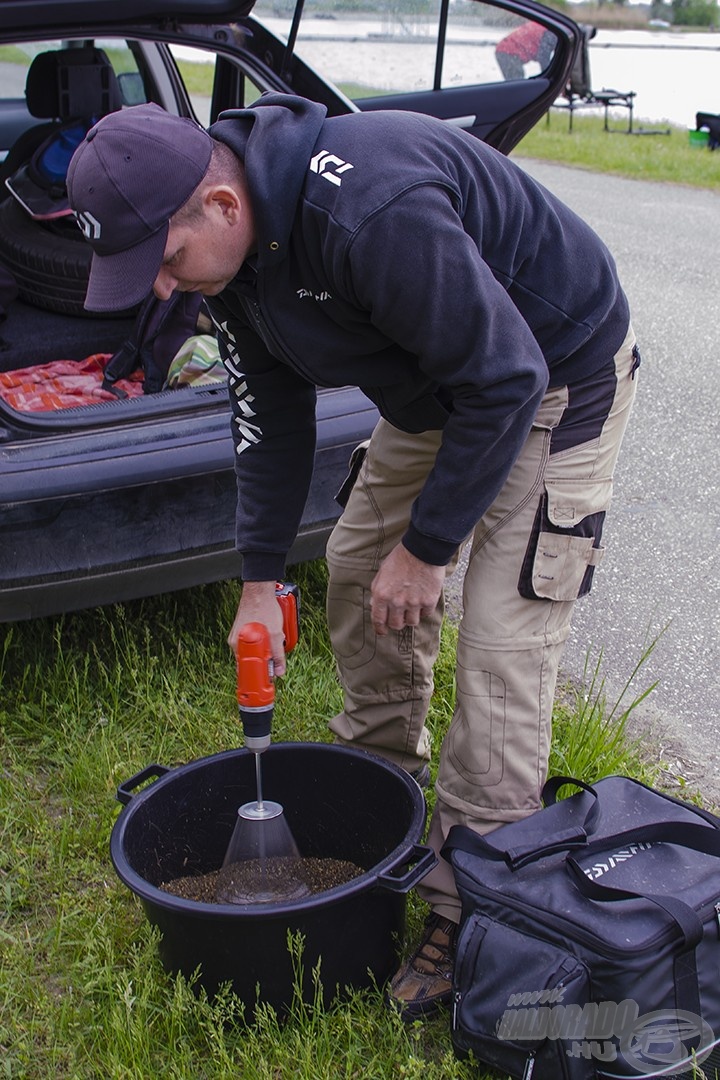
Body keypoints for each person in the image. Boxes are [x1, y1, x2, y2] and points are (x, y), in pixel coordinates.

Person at [67, 98, 639, 1017]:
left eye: (166, 260)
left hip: (552, 375)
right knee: (352, 571)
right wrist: (258, 580)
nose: (165, 288)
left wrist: (429, 548)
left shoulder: (370, 211)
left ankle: (472, 906)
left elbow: (507, 377)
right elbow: (271, 422)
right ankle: (379, 793)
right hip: (436, 386)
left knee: (498, 652)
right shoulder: (238, 264)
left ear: (219, 203)